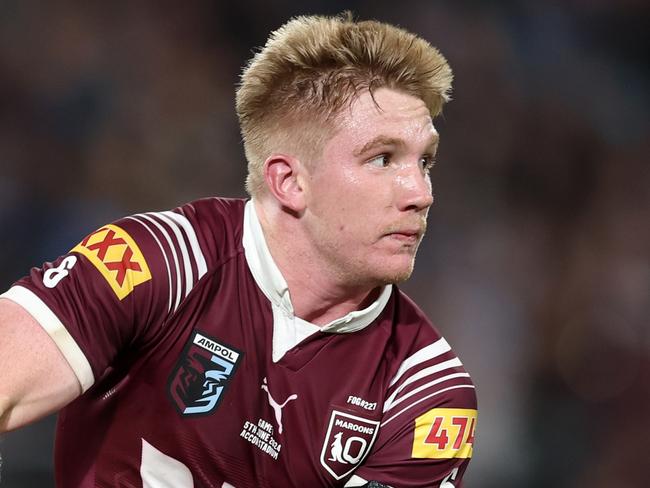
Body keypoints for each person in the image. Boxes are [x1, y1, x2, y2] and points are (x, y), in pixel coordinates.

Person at [0, 13, 477, 488]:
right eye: (382, 158)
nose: (421, 191)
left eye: (425, 160)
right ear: (289, 182)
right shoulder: (158, 260)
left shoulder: (427, 393)